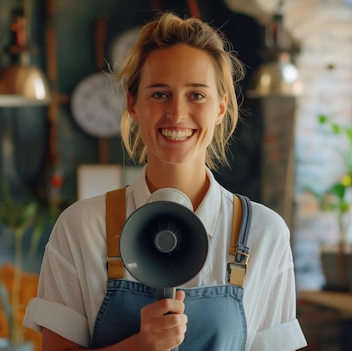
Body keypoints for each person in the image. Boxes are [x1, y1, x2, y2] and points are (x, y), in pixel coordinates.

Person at [23, 11, 307, 351]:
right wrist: (139, 346)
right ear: (133, 103)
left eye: (197, 95)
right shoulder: (81, 227)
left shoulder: (264, 233)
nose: (176, 113)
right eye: (159, 94)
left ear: (220, 107)